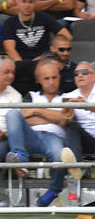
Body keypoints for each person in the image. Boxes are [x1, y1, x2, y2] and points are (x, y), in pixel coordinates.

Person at [4, 59, 75, 206]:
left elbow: (64, 120)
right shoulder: (31, 95)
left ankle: (53, 191)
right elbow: (21, 117)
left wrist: (36, 111)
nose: (51, 82)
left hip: (53, 137)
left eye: (54, 77)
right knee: (12, 113)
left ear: (59, 77)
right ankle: (20, 157)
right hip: (31, 136)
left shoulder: (67, 97)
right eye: (46, 78)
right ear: (39, 80)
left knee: (58, 155)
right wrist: (52, 117)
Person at [2, 0, 73, 95]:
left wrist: (46, 56)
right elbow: (9, 48)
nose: (27, 5)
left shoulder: (44, 18)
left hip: (44, 62)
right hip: (21, 64)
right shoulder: (10, 22)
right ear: (18, 2)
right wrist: (26, 66)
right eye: (24, 1)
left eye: (30, 2)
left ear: (35, 3)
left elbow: (66, 36)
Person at [0, 57, 22, 161]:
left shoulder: (16, 96)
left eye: (13, 72)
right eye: (7, 72)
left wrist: (5, 134)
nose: (11, 76)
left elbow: (17, 128)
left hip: (3, 139)